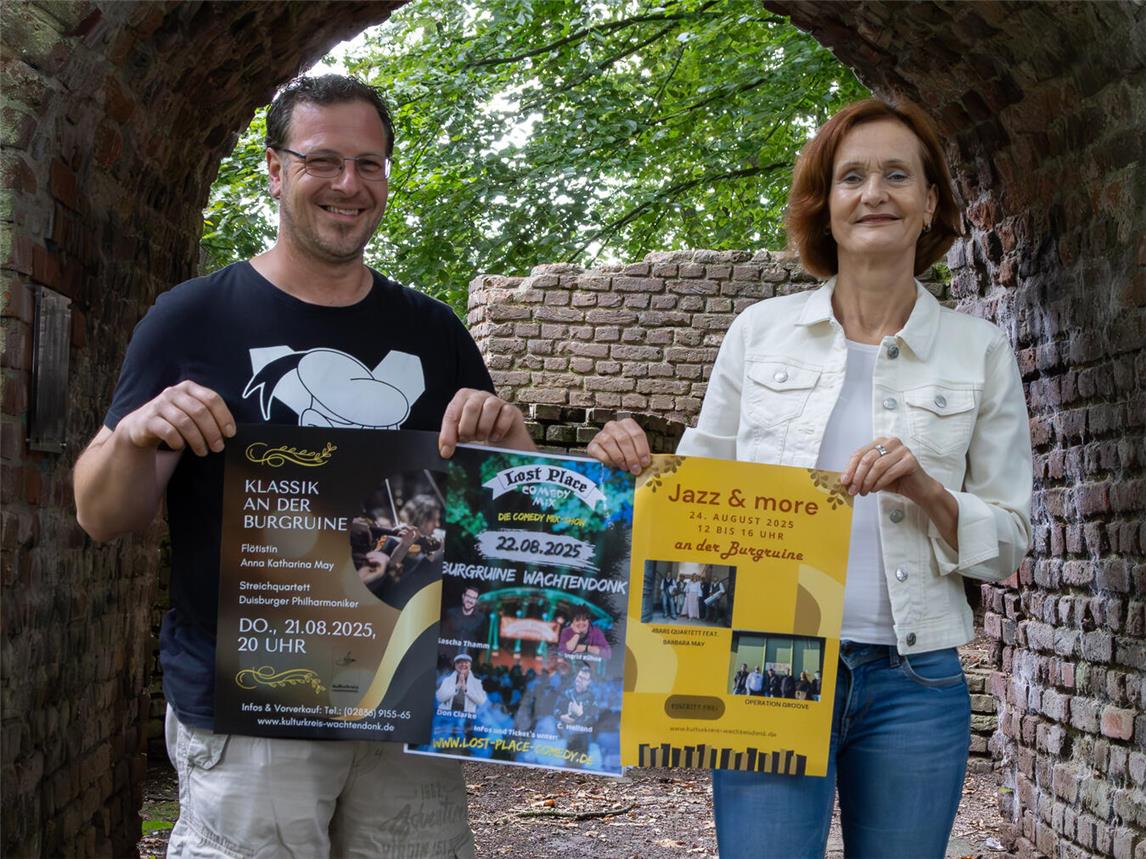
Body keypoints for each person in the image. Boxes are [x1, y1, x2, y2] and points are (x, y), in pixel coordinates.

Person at [73, 74, 537, 859]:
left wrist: (513, 439)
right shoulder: (193, 317)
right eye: (324, 160)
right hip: (253, 712)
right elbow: (100, 512)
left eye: (370, 163)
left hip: (401, 702)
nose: (349, 185)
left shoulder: (432, 331)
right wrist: (137, 435)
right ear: (276, 169)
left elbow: (500, 518)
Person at [588, 96, 1032, 857]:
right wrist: (630, 468)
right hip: (765, 665)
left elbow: (1007, 545)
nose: (875, 193)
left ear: (930, 203)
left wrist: (926, 487)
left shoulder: (979, 350)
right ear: (825, 207)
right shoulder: (760, 334)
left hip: (914, 681)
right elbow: (695, 496)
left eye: (899, 174)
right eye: (852, 176)